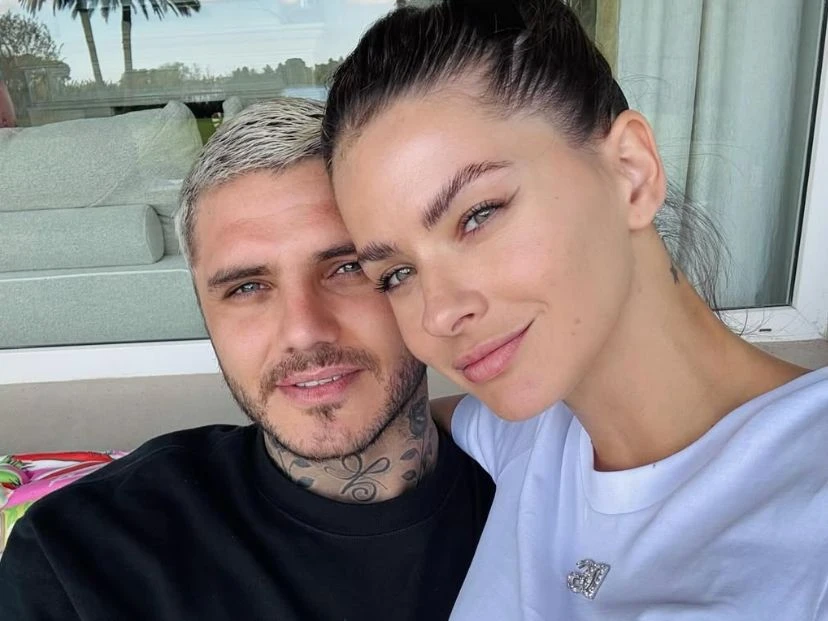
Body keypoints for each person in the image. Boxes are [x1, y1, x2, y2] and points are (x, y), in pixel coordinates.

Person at [320, 1, 828, 619]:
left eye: (478, 215)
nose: (439, 314)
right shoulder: (529, 432)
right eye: (397, 274)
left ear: (632, 172)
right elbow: (419, 422)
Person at [0, 98, 494, 620]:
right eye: (247, 287)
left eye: (347, 267)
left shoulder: (540, 484)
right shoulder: (77, 558)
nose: (303, 331)